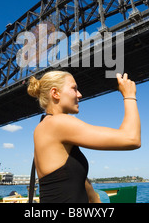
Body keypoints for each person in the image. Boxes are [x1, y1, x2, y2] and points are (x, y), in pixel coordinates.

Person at [27, 70, 140, 203]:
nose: (80, 95)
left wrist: (95, 200)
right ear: (55, 93)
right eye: (74, 89)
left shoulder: (43, 125)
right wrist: (129, 95)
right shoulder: (59, 122)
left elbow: (69, 177)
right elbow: (132, 139)